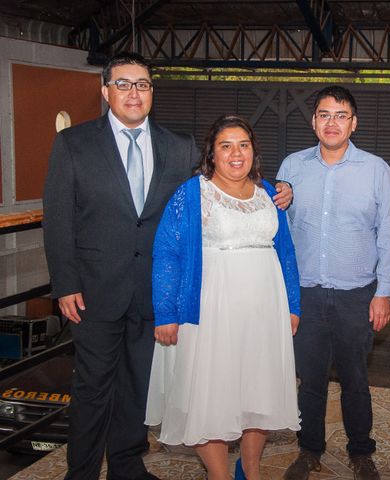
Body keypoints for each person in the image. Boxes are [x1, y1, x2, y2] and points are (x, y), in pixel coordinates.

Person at [42, 52, 292, 480]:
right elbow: (59, 217)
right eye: (123, 84)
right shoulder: (74, 144)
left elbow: (226, 179)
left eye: (142, 84)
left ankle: (125, 466)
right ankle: (79, 474)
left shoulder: (178, 146)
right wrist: (65, 283)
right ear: (105, 91)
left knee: (137, 386)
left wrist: (278, 187)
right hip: (94, 290)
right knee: (92, 388)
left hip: (154, 293)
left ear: (152, 92)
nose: (133, 93)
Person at [145, 114, 301, 480]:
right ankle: (219, 474)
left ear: (253, 151)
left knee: (257, 391)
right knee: (211, 394)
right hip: (211, 308)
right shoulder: (192, 193)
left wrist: (292, 305)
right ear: (212, 154)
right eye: (225, 146)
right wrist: (166, 312)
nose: (236, 153)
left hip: (265, 308)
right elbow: (167, 251)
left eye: (243, 145)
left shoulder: (268, 192)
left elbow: (287, 252)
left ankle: (251, 469)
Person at [277, 86, 390, 480]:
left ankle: (361, 452)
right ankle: (309, 449)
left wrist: (383, 293)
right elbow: (280, 231)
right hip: (306, 294)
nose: (332, 122)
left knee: (355, 380)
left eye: (341, 115)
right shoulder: (292, 168)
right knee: (309, 380)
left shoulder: (376, 170)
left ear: (354, 122)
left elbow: (388, 237)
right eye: (324, 114)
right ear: (313, 121)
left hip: (356, 295)